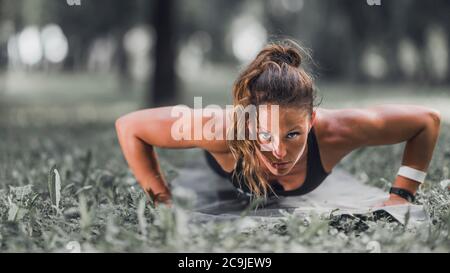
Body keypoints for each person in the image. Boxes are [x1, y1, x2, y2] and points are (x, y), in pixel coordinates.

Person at [115, 40, 441, 208]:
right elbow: (130, 126)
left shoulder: (338, 130)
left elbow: (426, 122)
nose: (279, 151)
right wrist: (162, 200)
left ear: (312, 121)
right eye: (264, 134)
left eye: (293, 134)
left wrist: (402, 194)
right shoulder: (220, 128)